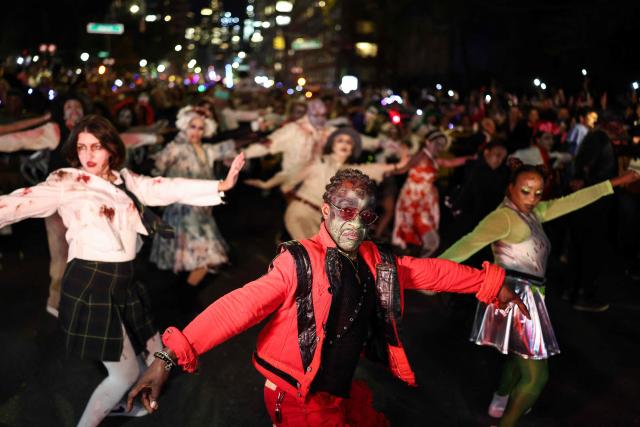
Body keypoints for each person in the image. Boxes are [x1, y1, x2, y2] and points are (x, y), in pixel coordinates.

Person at [127, 168, 528, 426]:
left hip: (339, 389)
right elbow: (239, 306)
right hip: (299, 398)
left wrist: (488, 284)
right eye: (345, 211)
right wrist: (167, 357)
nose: (355, 223)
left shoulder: (374, 259)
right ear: (325, 210)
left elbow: (429, 271)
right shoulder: (298, 262)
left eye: (366, 215)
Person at [0, 115, 245, 427]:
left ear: (111, 150)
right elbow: (19, 203)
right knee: (124, 373)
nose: (88, 154)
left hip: (125, 281)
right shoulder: (67, 181)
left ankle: (128, 406)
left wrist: (220, 184)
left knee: (156, 355)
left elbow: (163, 187)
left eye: (97, 147)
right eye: (82, 147)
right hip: (90, 282)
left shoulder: (126, 180)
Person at [439, 159, 639, 427]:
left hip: (529, 296)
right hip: (515, 298)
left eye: (537, 192)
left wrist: (615, 183)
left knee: (519, 356)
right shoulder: (504, 217)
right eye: (525, 191)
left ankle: (499, 401)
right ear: (510, 188)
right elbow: (467, 244)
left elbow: (574, 199)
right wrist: (429, 275)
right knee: (535, 377)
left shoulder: (534, 212)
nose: (532, 198)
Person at [245, 128, 408, 240]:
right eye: (341, 140)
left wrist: (399, 162)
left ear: (352, 149)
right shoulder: (318, 161)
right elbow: (290, 176)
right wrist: (266, 184)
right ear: (333, 145)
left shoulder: (348, 171)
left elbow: (373, 169)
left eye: (349, 142)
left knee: (318, 261)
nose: (345, 144)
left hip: (319, 218)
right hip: (300, 213)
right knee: (310, 257)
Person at [149, 106, 237, 286]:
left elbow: (231, 145)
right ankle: (185, 299)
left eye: (200, 128)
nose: (196, 132)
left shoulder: (207, 150)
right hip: (182, 212)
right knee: (208, 256)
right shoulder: (176, 148)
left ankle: (184, 299)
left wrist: (256, 127)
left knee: (196, 259)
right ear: (184, 126)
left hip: (203, 212)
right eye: (192, 126)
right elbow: (156, 170)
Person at [392, 129, 473, 257]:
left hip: (426, 201)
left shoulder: (435, 160)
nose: (439, 147)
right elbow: (404, 169)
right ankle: (414, 263)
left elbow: (451, 162)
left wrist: (470, 158)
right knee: (424, 238)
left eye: (442, 145)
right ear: (428, 142)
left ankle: (416, 264)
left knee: (427, 240)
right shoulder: (420, 155)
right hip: (413, 199)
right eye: (437, 143)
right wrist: (385, 171)